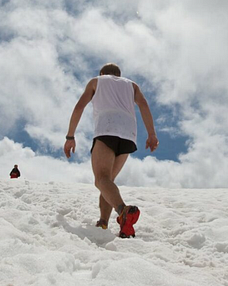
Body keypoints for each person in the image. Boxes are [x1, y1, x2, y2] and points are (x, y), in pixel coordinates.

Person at [64, 63, 158, 238]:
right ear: (119, 74)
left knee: (101, 179)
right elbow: (144, 105)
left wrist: (70, 136)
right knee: (108, 181)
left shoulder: (96, 81)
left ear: (102, 73)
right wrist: (152, 134)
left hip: (107, 129)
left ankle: (123, 211)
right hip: (129, 134)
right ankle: (103, 222)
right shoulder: (131, 85)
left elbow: (79, 107)